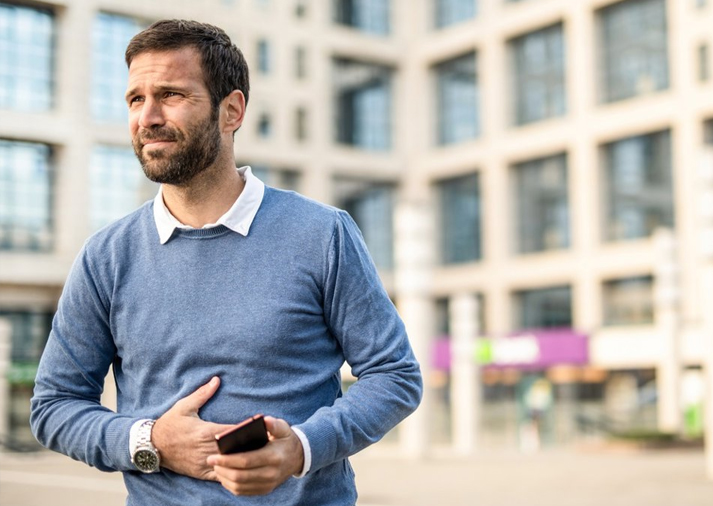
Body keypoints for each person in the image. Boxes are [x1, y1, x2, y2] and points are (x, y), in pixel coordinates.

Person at [30, 19, 422, 505]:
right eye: (135, 99)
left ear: (231, 110)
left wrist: (300, 449)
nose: (147, 117)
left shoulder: (323, 234)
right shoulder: (105, 257)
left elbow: (395, 375)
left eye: (171, 95)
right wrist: (151, 442)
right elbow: (53, 407)